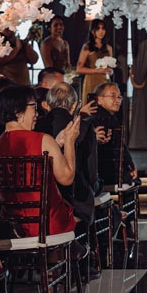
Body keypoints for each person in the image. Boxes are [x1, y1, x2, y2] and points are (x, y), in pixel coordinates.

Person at [0, 85, 78, 237]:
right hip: (48, 225)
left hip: (12, 228)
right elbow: (67, 178)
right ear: (18, 112)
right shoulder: (43, 140)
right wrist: (70, 141)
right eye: (34, 107)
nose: (37, 114)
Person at [35, 82, 99, 228]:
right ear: (74, 104)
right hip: (76, 201)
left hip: (43, 201)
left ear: (47, 104)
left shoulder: (37, 126)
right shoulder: (84, 126)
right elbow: (91, 173)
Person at [90, 81, 137, 186]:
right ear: (99, 99)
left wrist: (130, 164)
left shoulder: (111, 117)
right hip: (104, 174)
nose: (118, 100)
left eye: (119, 97)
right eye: (113, 96)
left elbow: (120, 146)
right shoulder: (99, 118)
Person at [77, 20, 114, 103]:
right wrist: (97, 70)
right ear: (92, 31)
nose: (101, 31)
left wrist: (110, 71)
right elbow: (79, 69)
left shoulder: (108, 48)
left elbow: (110, 66)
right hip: (91, 80)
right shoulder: (87, 47)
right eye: (98, 29)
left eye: (103, 28)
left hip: (105, 80)